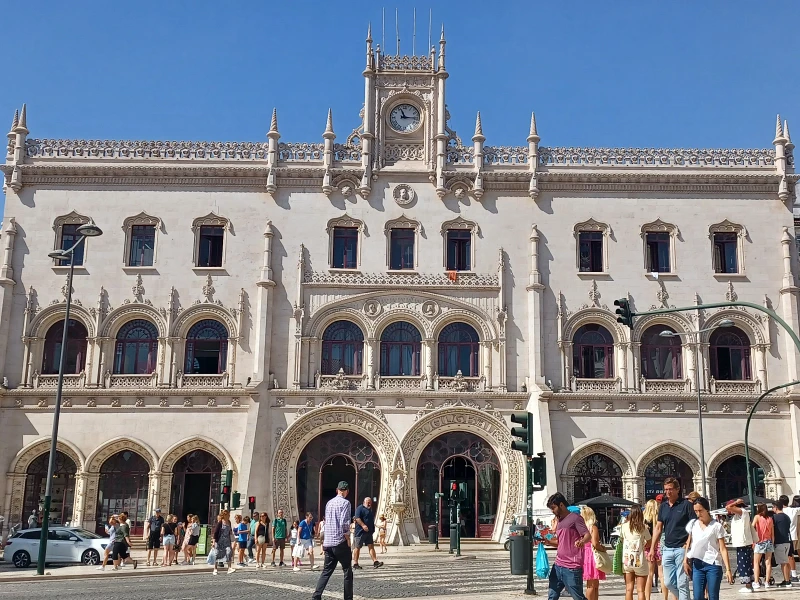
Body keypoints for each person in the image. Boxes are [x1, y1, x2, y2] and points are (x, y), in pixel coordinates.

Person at [649, 477, 694, 600]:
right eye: (666, 490)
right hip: (667, 548)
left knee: (682, 583)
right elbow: (658, 528)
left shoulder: (687, 505)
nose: (668, 492)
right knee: (668, 582)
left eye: (670, 489)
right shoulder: (663, 506)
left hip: (681, 548)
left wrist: (688, 544)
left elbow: (693, 527)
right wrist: (653, 548)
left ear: (677, 489)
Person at [541, 492, 591, 600]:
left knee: (578, 597)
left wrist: (582, 541)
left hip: (572, 568)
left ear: (561, 505)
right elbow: (561, 542)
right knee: (552, 595)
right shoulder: (559, 521)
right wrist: (549, 542)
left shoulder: (575, 518)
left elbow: (588, 535)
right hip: (558, 565)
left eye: (553, 508)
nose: (553, 511)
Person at [683, 497, 733, 600]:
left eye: (700, 510)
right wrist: (685, 560)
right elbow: (689, 542)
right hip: (697, 564)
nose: (698, 514)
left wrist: (728, 569)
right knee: (697, 596)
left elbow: (723, 548)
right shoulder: (693, 524)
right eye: (696, 511)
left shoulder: (716, 526)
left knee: (713, 596)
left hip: (713, 564)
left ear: (707, 509)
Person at [313, 481, 354, 600]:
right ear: (347, 491)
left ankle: (316, 595)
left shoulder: (329, 503)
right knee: (347, 571)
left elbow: (327, 522)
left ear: (337, 490)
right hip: (339, 542)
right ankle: (348, 598)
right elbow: (344, 523)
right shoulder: (345, 503)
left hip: (328, 542)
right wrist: (347, 538)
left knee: (326, 571)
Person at [621, 504, 652, 600]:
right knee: (640, 590)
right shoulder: (643, 528)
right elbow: (650, 542)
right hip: (639, 560)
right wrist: (643, 545)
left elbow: (622, 540)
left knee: (629, 589)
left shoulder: (624, 526)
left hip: (627, 560)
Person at [725, 498, 755, 593]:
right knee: (745, 563)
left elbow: (728, 507)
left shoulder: (742, 512)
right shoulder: (741, 514)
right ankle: (748, 584)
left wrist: (735, 503)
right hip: (743, 542)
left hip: (743, 542)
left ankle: (748, 585)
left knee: (744, 564)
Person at [579, 506, 605, 600]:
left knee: (592, 583)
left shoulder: (580, 528)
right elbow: (595, 543)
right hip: (592, 555)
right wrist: (603, 548)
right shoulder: (592, 527)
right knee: (592, 584)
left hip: (584, 555)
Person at [643, 499, 666, 600]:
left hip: (648, 547)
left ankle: (647, 598)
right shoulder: (660, 519)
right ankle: (665, 597)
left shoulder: (644, 521)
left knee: (649, 575)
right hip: (660, 545)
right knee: (662, 575)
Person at [353, 497, 384, 569]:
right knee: (357, 547)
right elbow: (357, 518)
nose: (370, 504)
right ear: (364, 502)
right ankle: (355, 563)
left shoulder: (369, 510)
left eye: (370, 502)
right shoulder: (359, 508)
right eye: (368, 502)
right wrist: (363, 525)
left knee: (371, 546)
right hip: (360, 532)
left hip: (369, 532)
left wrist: (372, 529)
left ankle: (375, 562)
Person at [752, 503, 774, 589]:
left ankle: (756, 582)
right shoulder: (770, 519)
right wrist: (772, 542)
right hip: (769, 541)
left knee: (756, 562)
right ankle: (767, 582)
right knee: (768, 563)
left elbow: (752, 527)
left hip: (760, 541)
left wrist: (754, 539)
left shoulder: (757, 517)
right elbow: (772, 533)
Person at [779, 495, 799, 582]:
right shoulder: (794, 510)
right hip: (793, 534)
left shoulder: (781, 511)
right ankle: (792, 573)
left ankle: (793, 574)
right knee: (791, 556)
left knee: (788, 556)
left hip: (785, 535)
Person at [772, 499, 792, 587]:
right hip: (787, 541)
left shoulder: (775, 517)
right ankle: (787, 579)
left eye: (773, 507)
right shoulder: (787, 517)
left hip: (779, 542)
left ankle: (787, 581)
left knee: (783, 562)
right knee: (786, 561)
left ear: (776, 507)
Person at [212, 509, 236, 575]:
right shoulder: (220, 522)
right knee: (217, 554)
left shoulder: (229, 522)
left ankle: (229, 568)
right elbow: (216, 533)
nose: (229, 516)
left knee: (229, 552)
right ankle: (215, 568)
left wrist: (232, 537)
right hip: (220, 541)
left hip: (227, 541)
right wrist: (214, 542)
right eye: (228, 515)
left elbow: (230, 531)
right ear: (224, 515)